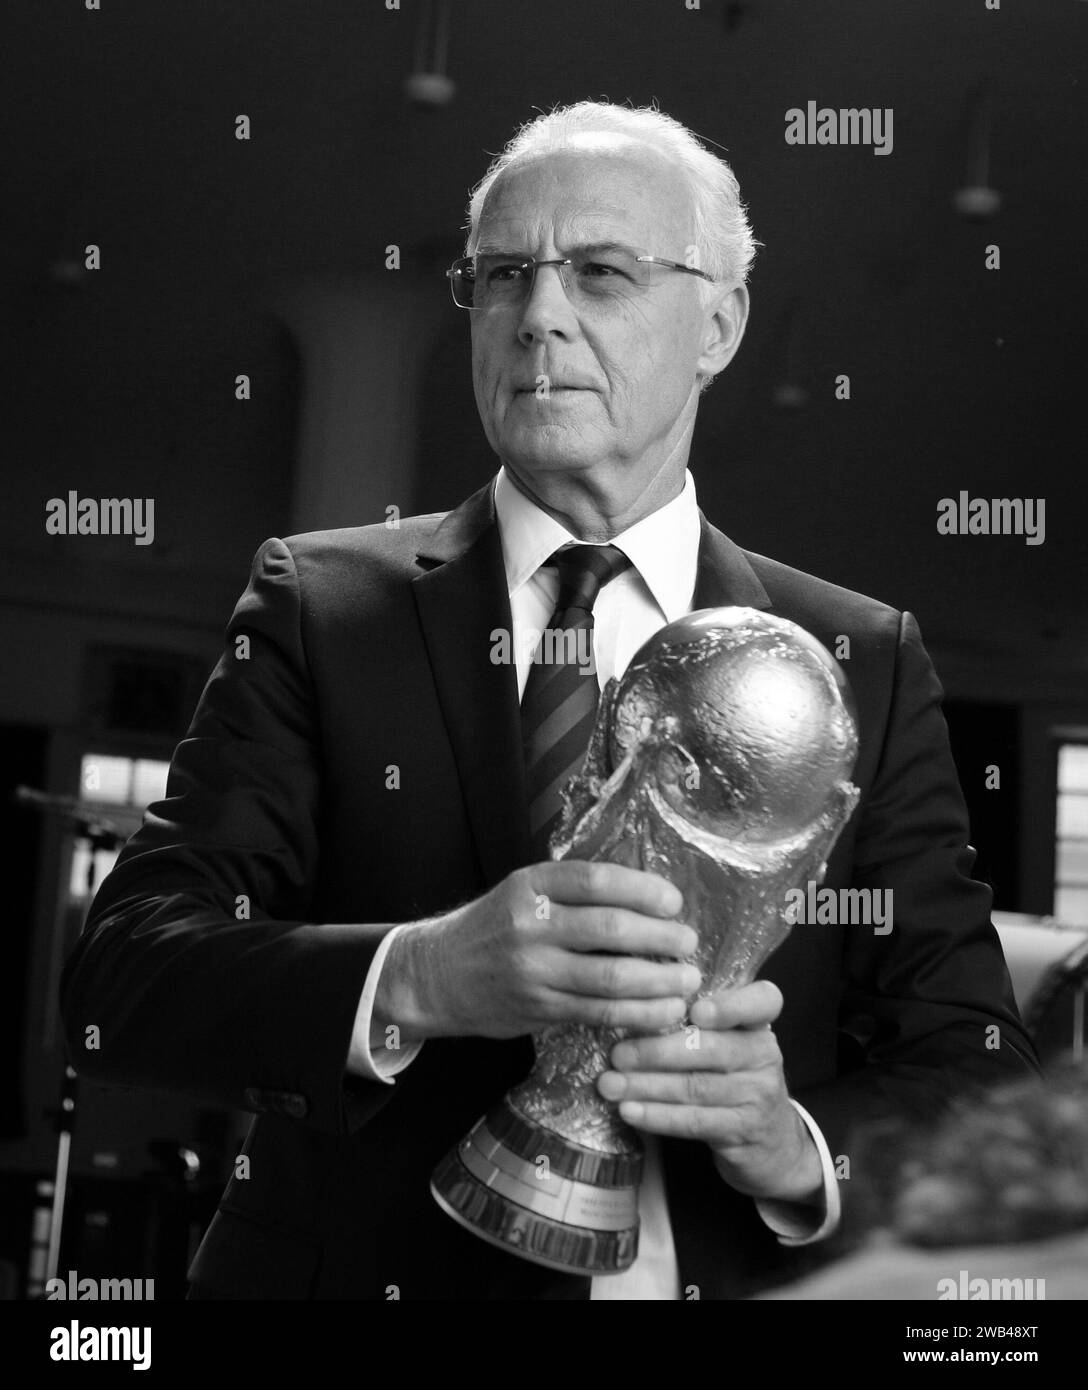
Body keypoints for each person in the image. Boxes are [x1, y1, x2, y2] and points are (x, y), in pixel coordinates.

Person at [60, 101, 1037, 1300]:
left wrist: (793, 1148)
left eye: (602, 273)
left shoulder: (857, 658)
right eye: (502, 275)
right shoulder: (322, 605)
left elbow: (971, 1063)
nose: (539, 317)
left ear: (718, 324)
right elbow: (125, 974)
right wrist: (421, 973)